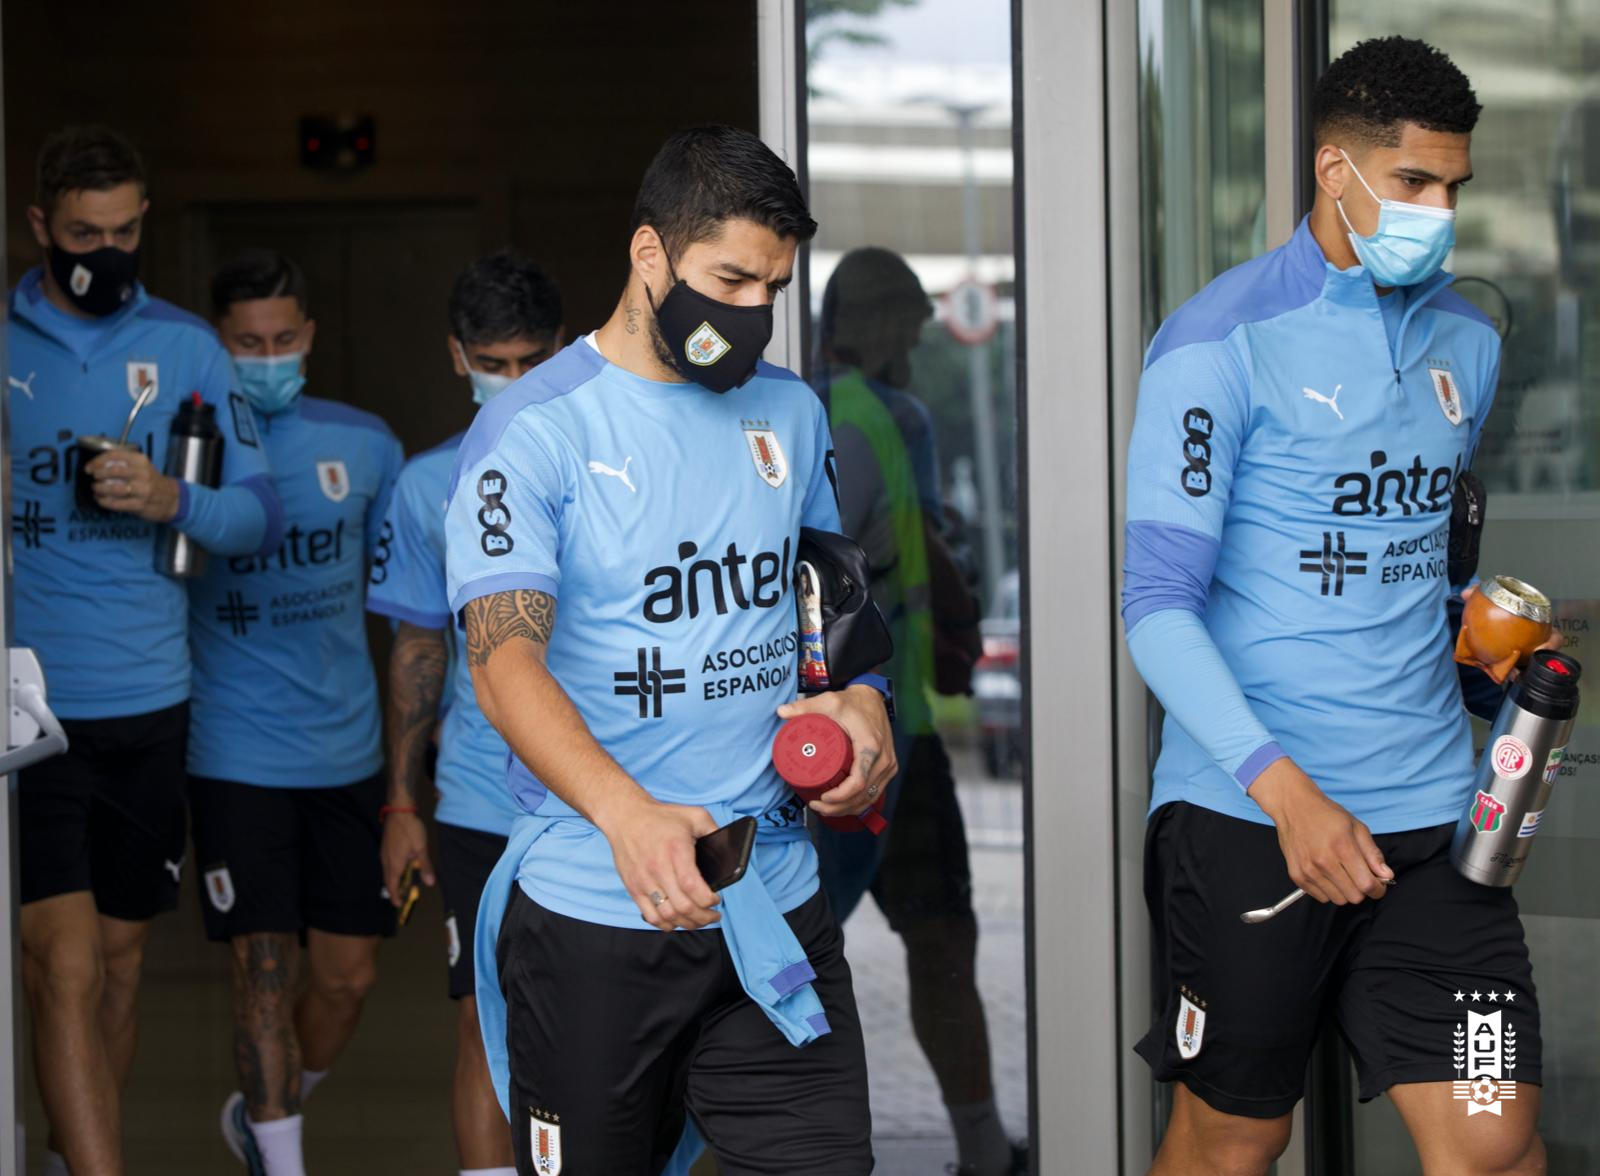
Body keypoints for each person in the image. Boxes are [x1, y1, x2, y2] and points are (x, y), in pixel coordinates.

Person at [1122, 38, 1546, 1175]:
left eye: (1453, 186)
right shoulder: (1216, 343)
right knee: (1234, 1138)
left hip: (1438, 840)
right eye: (1412, 183)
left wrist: (1482, 643)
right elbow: (1156, 606)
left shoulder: (1468, 337)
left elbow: (1429, 558)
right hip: (1252, 824)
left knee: (1495, 1137)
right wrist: (1288, 797)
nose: (1438, 211)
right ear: (1334, 171)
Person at [444, 125, 895, 1176]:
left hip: (770, 904)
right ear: (650, 255)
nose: (750, 313)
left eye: (772, 289)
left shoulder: (788, 409)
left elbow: (831, 611)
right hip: (596, 908)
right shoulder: (532, 430)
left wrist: (862, 705)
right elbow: (502, 663)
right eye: (728, 278)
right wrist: (626, 815)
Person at [8, 125, 282, 1176]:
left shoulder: (185, 348)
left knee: (118, 964)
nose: (106, 251)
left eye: (125, 230)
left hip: (148, 698)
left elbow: (253, 519)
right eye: (84, 232)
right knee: (62, 963)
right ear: (40, 226)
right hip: (27, 701)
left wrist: (170, 495)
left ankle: (87, 1153)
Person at [187, 249, 403, 1176]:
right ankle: (282, 1160)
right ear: (216, 347)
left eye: (282, 339)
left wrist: (406, 782)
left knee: (347, 979)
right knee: (262, 972)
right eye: (246, 344)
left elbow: (409, 615)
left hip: (347, 752)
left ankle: (267, 1114)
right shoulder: (187, 450)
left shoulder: (368, 446)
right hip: (235, 753)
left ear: (308, 338)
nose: (266, 356)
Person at [813, 246, 1023, 1176]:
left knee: (797, 948)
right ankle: (982, 1150)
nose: (912, 338)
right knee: (941, 940)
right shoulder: (885, 415)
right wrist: (965, 636)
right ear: (868, 323)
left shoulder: (792, 407)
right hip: (895, 728)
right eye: (903, 320)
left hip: (813, 732)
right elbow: (927, 545)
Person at [367, 249, 564, 1176]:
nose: (514, 382)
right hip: (482, 801)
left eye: (532, 361)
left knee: (621, 1030)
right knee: (486, 1029)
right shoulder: (423, 486)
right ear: (459, 358)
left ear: (564, 352)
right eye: (495, 364)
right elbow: (417, 650)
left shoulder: (611, 467)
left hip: (607, 800)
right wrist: (402, 806)